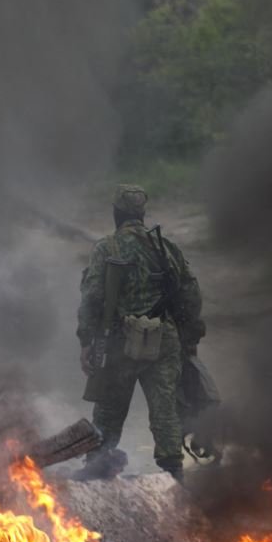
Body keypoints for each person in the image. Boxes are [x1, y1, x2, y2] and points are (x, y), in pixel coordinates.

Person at [75, 184, 205, 481]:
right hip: (163, 337)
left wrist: (86, 340)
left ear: (116, 213)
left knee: (109, 407)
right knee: (165, 407)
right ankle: (173, 471)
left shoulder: (107, 248)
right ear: (142, 214)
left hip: (121, 340)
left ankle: (97, 465)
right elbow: (191, 294)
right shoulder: (166, 247)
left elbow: (92, 297)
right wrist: (190, 337)